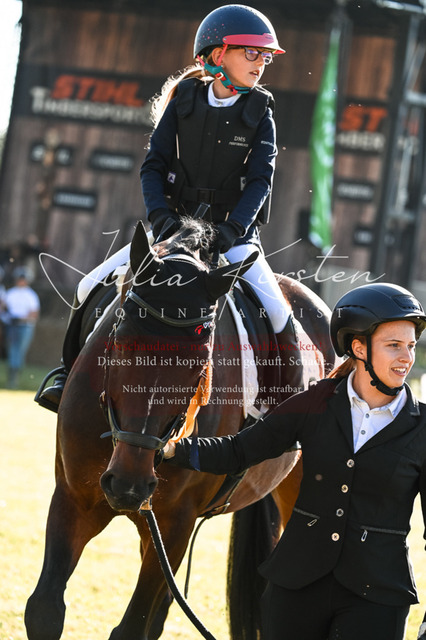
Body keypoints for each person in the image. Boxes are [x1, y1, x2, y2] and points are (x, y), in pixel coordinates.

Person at [36, 4, 303, 412]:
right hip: (172, 232)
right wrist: (161, 218)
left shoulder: (261, 111)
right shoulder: (184, 102)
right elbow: (153, 167)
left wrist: (232, 231)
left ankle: (282, 408)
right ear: (218, 54)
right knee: (87, 285)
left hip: (233, 238)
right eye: (252, 52)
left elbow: (260, 182)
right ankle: (65, 376)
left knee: (280, 315)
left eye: (266, 56)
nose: (261, 63)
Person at [163, 282, 426, 640]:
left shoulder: (422, 427)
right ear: (358, 347)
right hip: (296, 586)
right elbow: (240, 450)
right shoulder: (315, 402)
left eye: (411, 346)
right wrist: (173, 450)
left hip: (378, 596)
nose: (407, 357)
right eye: (394, 345)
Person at [3, 267, 40, 389]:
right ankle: (11, 377)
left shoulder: (31, 295)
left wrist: (20, 319)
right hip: (11, 326)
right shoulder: (10, 293)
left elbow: (34, 314)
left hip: (25, 327)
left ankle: (16, 376)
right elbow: (4, 308)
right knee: (12, 350)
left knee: (20, 351)